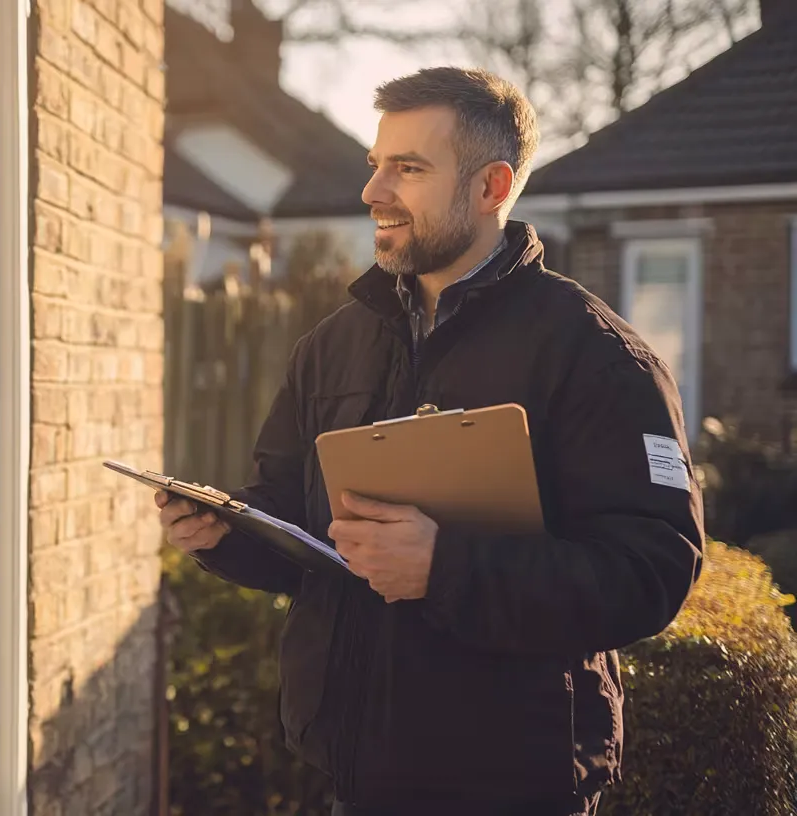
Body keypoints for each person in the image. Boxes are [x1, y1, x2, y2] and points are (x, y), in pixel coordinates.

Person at [158, 67, 704, 816]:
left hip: (514, 780)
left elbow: (652, 571)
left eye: (408, 169)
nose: (373, 192)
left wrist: (444, 567)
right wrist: (223, 531)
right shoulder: (331, 346)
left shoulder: (598, 357)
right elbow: (298, 522)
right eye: (376, 166)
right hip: (357, 769)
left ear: (491, 186)